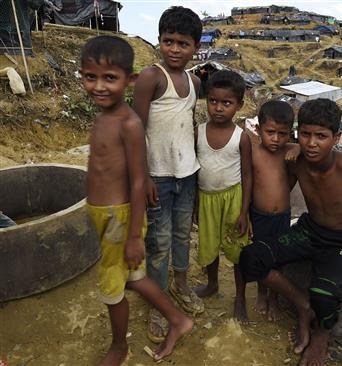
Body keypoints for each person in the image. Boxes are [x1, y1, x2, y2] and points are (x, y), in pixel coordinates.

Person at [80, 36, 193, 365]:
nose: (99, 87)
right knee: (136, 279)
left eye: (109, 78)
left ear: (129, 80)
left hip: (120, 219)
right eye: (90, 77)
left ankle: (119, 347)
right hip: (105, 214)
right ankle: (177, 319)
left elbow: (139, 179)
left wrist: (132, 237)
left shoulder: (129, 123)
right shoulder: (103, 116)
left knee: (112, 288)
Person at [240, 98, 342, 366]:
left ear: (336, 137)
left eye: (321, 136)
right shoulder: (295, 157)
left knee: (324, 294)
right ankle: (302, 305)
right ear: (297, 132)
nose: (312, 143)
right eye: (305, 134)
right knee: (250, 258)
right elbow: (270, 145)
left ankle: (321, 336)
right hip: (309, 230)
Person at [132, 6, 203, 341]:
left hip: (187, 175)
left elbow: (186, 126)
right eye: (168, 41)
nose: (175, 49)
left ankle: (181, 285)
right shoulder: (151, 77)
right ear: (159, 41)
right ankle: (159, 304)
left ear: (196, 47)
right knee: (158, 242)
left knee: (181, 235)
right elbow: (136, 130)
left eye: (183, 43)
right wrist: (143, 177)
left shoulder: (195, 82)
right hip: (158, 176)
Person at [193, 70, 252, 323]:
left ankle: (240, 296)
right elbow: (194, 170)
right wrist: (195, 203)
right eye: (213, 101)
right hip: (206, 199)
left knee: (238, 250)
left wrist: (244, 212)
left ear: (238, 105)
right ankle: (212, 283)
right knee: (209, 246)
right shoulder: (198, 132)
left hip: (233, 199)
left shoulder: (242, 138)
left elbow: (248, 175)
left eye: (226, 103)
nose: (218, 108)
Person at [249, 100, 300, 321]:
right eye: (270, 132)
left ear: (290, 133)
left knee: (279, 258)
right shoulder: (253, 154)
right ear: (258, 129)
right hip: (259, 216)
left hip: (282, 216)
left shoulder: (289, 151)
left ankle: (274, 298)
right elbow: (248, 186)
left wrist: (298, 146)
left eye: (283, 133)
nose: (276, 139)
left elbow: (306, 150)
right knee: (261, 256)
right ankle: (262, 292)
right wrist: (246, 216)